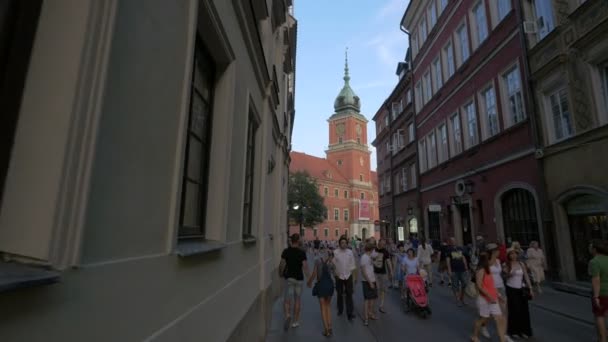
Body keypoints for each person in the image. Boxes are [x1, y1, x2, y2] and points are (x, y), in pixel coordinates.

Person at [471, 252, 508, 342]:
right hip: (484, 299)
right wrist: (488, 296)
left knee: (500, 318)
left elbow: (492, 285)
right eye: (491, 259)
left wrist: (498, 296)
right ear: (486, 260)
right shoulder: (480, 270)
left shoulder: (488, 270)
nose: (493, 261)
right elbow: (479, 286)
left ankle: (502, 339)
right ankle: (474, 336)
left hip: (493, 298)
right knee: (483, 319)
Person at [279, 234, 309, 330]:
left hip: (290, 278)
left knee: (287, 300)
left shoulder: (286, 251)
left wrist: (280, 273)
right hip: (299, 279)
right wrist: (309, 278)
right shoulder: (302, 252)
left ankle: (288, 315)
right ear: (298, 241)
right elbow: (305, 266)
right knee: (297, 300)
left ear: (291, 241)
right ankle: (295, 322)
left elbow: (282, 264)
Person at [504, 248, 534, 339]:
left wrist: (530, 288)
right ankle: (514, 331)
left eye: (515, 254)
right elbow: (505, 277)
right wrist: (510, 274)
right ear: (508, 255)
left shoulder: (521, 264)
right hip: (511, 289)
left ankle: (525, 331)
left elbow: (526, 277)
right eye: (511, 254)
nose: (513, 256)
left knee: (524, 311)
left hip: (521, 289)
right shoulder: (506, 265)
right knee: (515, 310)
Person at [307, 248, 336, 337]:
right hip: (330, 286)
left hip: (321, 285)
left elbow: (314, 273)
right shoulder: (331, 264)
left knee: (323, 308)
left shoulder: (318, 261)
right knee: (328, 306)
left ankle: (326, 330)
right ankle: (330, 327)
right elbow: (335, 275)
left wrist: (309, 282)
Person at [333, 237, 356, 321]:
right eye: (342, 243)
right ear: (339, 244)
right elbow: (333, 264)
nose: (344, 244)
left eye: (345, 243)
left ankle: (350, 312)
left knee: (349, 294)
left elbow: (353, 264)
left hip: (348, 275)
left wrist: (354, 277)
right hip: (339, 276)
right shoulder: (335, 252)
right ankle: (340, 310)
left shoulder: (350, 252)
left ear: (347, 244)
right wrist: (335, 273)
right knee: (339, 294)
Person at [590, 240, 608, 342]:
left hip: (602, 292)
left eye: (592, 248)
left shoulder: (594, 261)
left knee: (600, 315)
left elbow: (596, 280)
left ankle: (603, 338)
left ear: (595, 250)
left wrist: (596, 296)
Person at [446, 237, 469, 306]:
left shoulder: (460, 248)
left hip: (462, 269)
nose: (453, 242)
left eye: (454, 240)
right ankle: (458, 299)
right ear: (450, 242)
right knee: (455, 285)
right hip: (454, 270)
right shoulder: (449, 250)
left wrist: (466, 267)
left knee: (465, 283)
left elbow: (463, 258)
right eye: (452, 241)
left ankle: (462, 297)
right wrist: (449, 270)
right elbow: (448, 260)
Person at [360, 242, 378, 326]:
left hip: (372, 279)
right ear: (370, 250)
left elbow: (372, 267)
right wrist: (370, 282)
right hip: (367, 281)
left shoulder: (369, 257)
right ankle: (366, 317)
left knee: (373, 298)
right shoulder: (364, 257)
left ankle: (370, 313)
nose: (374, 251)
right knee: (367, 299)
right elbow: (363, 271)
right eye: (373, 249)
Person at [373, 239, 393, 314]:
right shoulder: (374, 250)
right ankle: (373, 304)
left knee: (382, 289)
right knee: (376, 288)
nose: (383, 245)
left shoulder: (385, 252)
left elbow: (388, 262)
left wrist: (391, 271)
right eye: (382, 244)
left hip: (383, 273)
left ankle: (381, 305)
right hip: (374, 272)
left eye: (384, 244)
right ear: (379, 243)